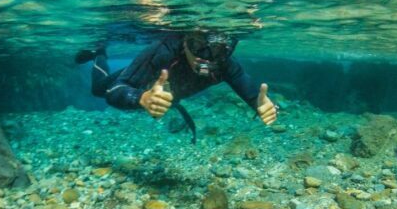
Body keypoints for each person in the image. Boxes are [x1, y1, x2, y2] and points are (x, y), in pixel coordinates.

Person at [75, 30, 277, 142]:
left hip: (166, 93)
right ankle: (99, 53)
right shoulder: (163, 52)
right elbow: (115, 91)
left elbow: (254, 95)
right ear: (185, 41)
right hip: (141, 80)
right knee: (98, 89)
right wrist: (141, 98)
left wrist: (259, 105)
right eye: (198, 46)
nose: (205, 57)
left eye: (218, 49)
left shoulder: (224, 65)